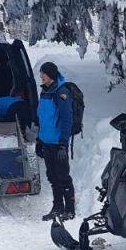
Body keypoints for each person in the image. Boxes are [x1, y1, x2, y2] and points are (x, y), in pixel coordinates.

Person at [36, 62, 75, 221]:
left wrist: (63, 144)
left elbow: (67, 119)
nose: (41, 76)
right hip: (46, 143)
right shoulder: (44, 92)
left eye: (43, 73)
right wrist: (39, 139)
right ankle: (57, 207)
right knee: (52, 176)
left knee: (63, 177)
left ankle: (70, 209)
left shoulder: (61, 92)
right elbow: (43, 119)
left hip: (58, 144)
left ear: (50, 75)